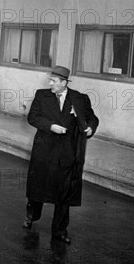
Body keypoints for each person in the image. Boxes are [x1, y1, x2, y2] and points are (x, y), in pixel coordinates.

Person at [23, 65, 99, 244]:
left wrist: (90, 128)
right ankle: (31, 216)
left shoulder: (79, 98)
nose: (50, 83)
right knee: (38, 188)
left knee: (64, 192)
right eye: (50, 80)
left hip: (67, 152)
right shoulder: (42, 96)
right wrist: (50, 126)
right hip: (45, 151)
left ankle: (60, 230)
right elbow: (32, 118)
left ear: (64, 83)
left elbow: (92, 118)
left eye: (54, 81)